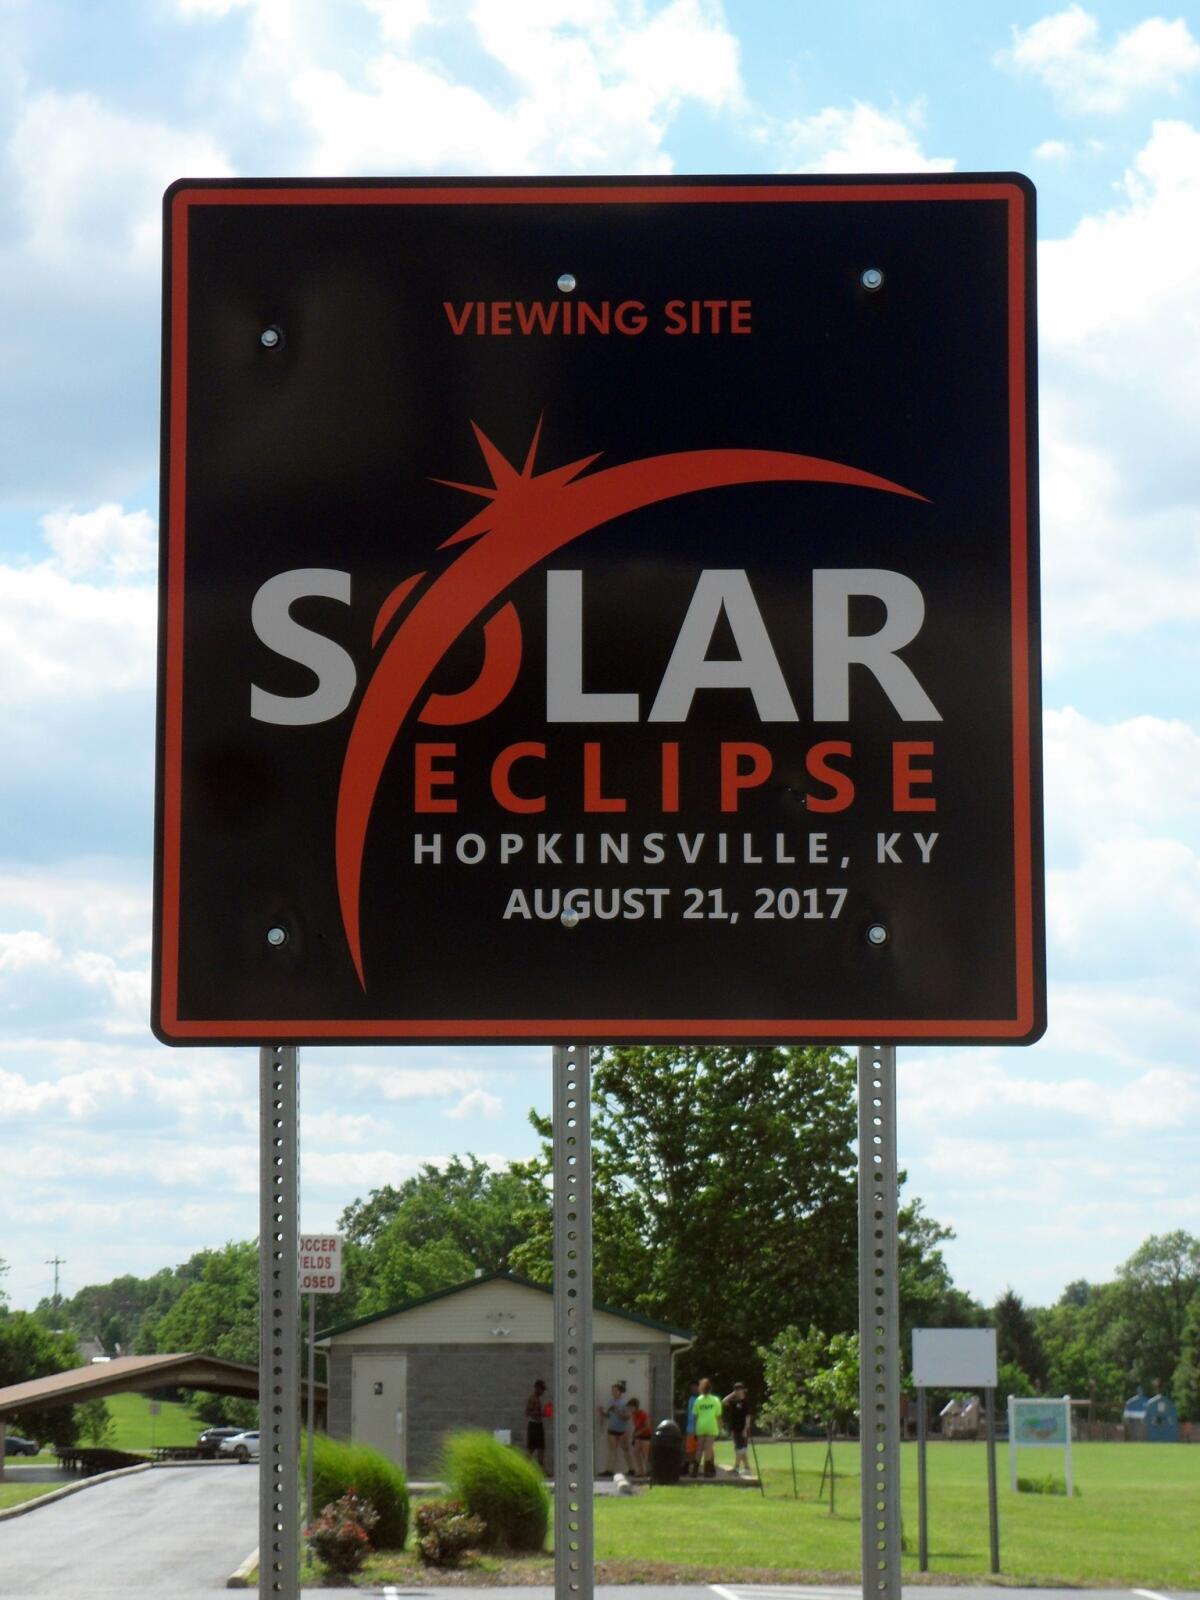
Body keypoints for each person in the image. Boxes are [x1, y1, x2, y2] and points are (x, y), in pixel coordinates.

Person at [598, 1382, 633, 1476]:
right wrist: (602, 1412)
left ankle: (631, 1469)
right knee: (612, 1450)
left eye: (615, 1390)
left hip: (622, 1430)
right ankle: (609, 1470)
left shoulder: (624, 1403)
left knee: (626, 1449)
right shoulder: (610, 1402)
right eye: (612, 1390)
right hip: (611, 1429)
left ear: (620, 1392)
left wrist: (618, 1412)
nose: (613, 1392)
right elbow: (608, 1415)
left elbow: (628, 1416)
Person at [692, 1376, 723, 1477]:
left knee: (699, 1448)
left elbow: (695, 1417)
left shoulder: (698, 1400)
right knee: (708, 1449)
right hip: (711, 1426)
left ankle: (694, 1471)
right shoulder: (715, 1400)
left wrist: (695, 1429)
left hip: (700, 1426)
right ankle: (707, 1471)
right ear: (710, 1388)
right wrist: (720, 1429)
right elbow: (718, 1416)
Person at [722, 1381, 754, 1474]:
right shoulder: (733, 1402)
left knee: (740, 1449)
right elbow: (724, 1401)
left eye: (739, 1390)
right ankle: (747, 1468)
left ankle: (736, 1468)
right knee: (740, 1449)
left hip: (742, 1429)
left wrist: (745, 1429)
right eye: (736, 1390)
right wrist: (733, 1394)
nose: (738, 1392)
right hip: (735, 1428)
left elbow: (748, 1417)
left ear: (743, 1390)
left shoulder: (746, 1402)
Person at [525, 1378, 548, 1470]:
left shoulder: (537, 1399)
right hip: (534, 1425)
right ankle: (524, 1468)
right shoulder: (532, 1398)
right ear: (537, 1388)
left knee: (541, 1448)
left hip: (538, 1425)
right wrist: (540, 1414)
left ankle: (541, 1469)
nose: (542, 1391)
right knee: (532, 1448)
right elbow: (527, 1412)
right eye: (541, 1389)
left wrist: (543, 1414)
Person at [627, 1395, 652, 1476]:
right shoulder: (633, 1415)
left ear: (635, 1407)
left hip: (646, 1436)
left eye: (631, 1407)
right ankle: (640, 1470)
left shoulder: (643, 1414)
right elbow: (636, 1426)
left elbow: (647, 1426)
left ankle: (647, 1471)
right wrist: (634, 1436)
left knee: (645, 1454)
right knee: (636, 1452)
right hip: (638, 1435)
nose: (630, 1409)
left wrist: (639, 1432)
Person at [684, 1379, 700, 1476]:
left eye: (695, 1387)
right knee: (689, 1449)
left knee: (699, 1449)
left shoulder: (701, 1399)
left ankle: (700, 1468)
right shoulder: (691, 1399)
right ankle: (690, 1467)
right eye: (692, 1388)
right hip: (690, 1428)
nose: (693, 1389)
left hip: (698, 1429)